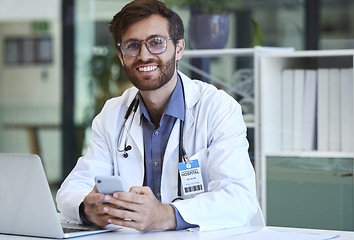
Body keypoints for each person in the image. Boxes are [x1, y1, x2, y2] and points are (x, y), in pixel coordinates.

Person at [56, 0, 258, 232]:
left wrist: (165, 215)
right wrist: (86, 208)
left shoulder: (217, 108)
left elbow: (239, 198)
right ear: (121, 56)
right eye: (132, 45)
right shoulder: (113, 113)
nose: (144, 55)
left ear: (179, 48)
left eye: (156, 42)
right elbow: (74, 187)